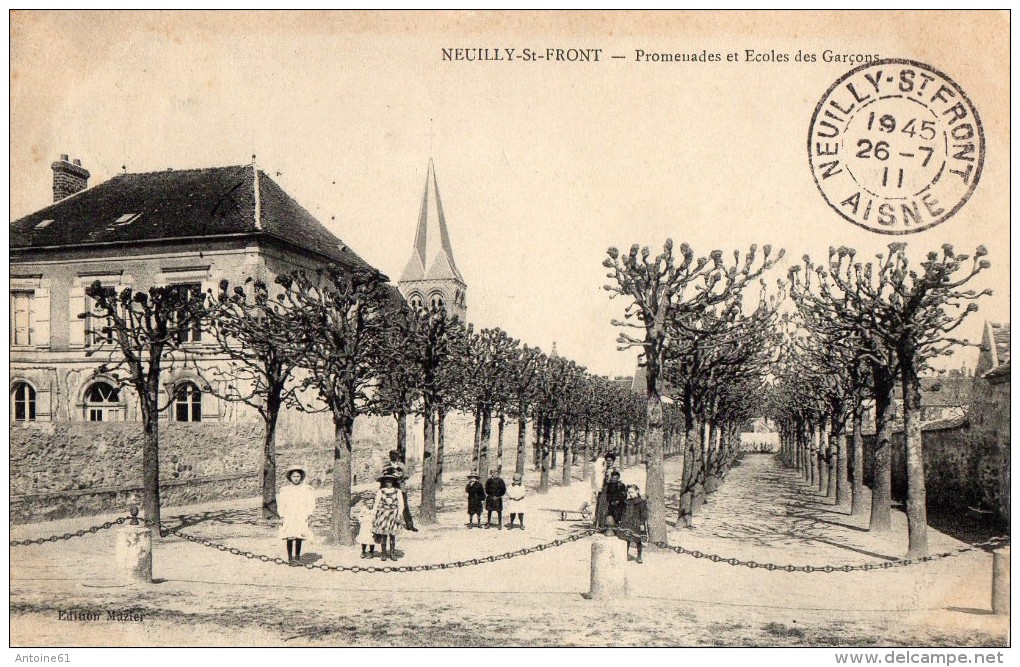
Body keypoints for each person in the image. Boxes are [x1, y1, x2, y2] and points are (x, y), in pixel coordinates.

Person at [278, 467, 316, 564]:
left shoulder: (306, 489)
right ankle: (290, 558)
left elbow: (310, 502)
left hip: (301, 515)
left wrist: (309, 514)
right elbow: (282, 503)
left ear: (301, 477)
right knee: (290, 536)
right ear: (290, 477)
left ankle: (298, 557)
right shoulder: (285, 490)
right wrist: (282, 516)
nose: (296, 478)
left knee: (299, 536)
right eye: (294, 476)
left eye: (298, 476)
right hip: (289, 515)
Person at [373, 474, 405, 561]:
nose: (388, 483)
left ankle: (392, 553)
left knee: (392, 535)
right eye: (386, 482)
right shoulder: (381, 491)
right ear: (384, 482)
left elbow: (401, 504)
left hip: (393, 514)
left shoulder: (397, 491)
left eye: (390, 481)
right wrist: (374, 515)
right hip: (383, 514)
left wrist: (399, 515)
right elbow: (376, 504)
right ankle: (383, 554)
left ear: (393, 482)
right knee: (383, 535)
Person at [384, 450, 418, 532]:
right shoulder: (386, 466)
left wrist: (401, 476)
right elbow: (383, 475)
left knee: (404, 506)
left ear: (397, 456)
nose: (393, 457)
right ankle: (389, 524)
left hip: (401, 488)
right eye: (391, 455)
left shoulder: (401, 465)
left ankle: (410, 525)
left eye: (395, 455)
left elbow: (407, 475)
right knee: (389, 506)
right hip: (390, 488)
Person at [617, 484, 648, 563]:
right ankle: (626, 554)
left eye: (632, 492)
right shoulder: (627, 501)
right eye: (629, 492)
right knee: (627, 539)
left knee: (638, 540)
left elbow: (644, 513)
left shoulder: (641, 502)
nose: (630, 494)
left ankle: (639, 556)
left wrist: (642, 524)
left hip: (637, 522)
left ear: (637, 491)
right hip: (628, 522)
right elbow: (624, 511)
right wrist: (621, 519)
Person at [593, 452, 617, 531]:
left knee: (606, 507)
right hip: (602, 489)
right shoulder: (603, 468)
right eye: (607, 460)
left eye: (610, 460)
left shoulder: (613, 469)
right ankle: (598, 525)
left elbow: (613, 480)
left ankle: (604, 526)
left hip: (609, 489)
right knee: (600, 506)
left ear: (613, 461)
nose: (608, 462)